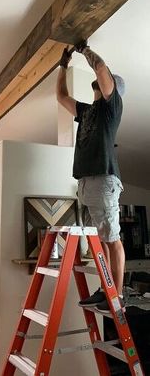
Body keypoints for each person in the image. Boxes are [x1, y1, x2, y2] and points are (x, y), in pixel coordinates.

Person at [56, 41, 125, 313]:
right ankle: (106, 289)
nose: (99, 81)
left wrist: (82, 48)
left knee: (112, 239)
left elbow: (99, 67)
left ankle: (116, 296)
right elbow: (61, 97)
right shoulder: (86, 112)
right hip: (85, 183)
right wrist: (63, 65)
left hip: (103, 178)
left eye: (104, 81)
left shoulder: (112, 108)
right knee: (100, 241)